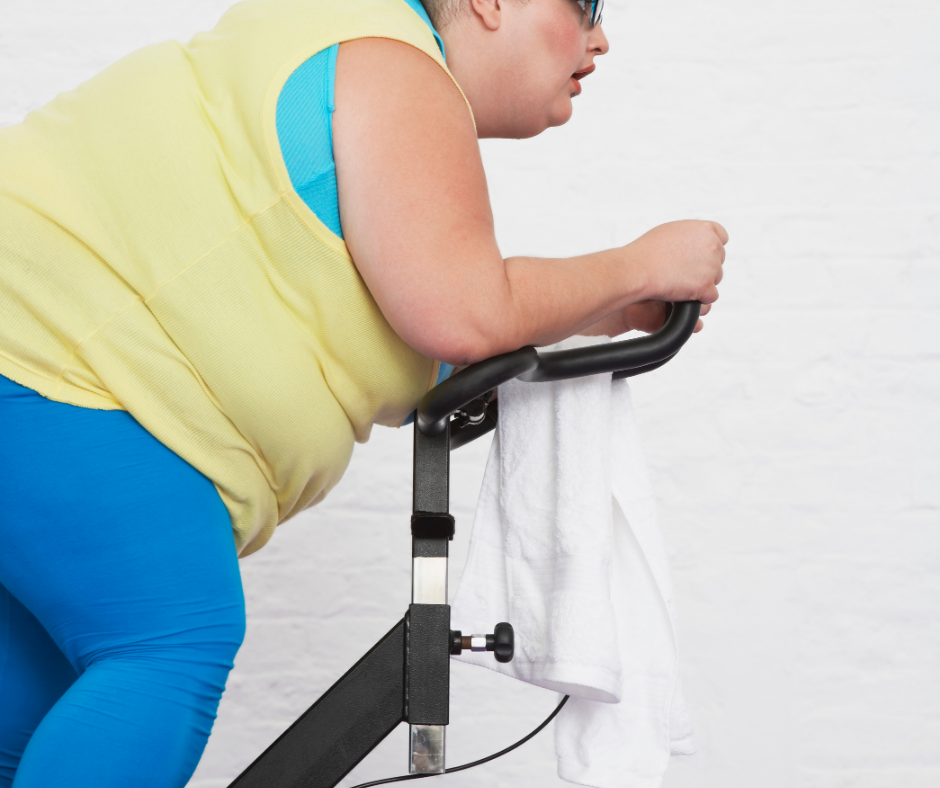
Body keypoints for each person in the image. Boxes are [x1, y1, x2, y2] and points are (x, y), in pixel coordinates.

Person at [0, 0, 726, 785]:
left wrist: (608, 310)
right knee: (169, 643)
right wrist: (637, 267)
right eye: (584, 6)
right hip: (56, 361)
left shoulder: (331, 36)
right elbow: (463, 311)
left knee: (33, 701)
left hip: (45, 361)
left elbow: (407, 310)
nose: (599, 36)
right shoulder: (398, 62)